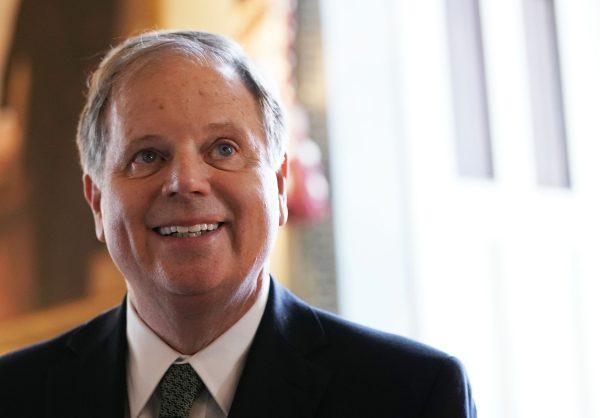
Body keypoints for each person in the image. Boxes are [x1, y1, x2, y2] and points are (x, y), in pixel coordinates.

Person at [0, 30, 476, 418]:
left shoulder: (410, 396)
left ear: (281, 182)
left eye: (223, 149)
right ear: (98, 202)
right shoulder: (14, 396)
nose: (185, 183)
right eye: (148, 156)